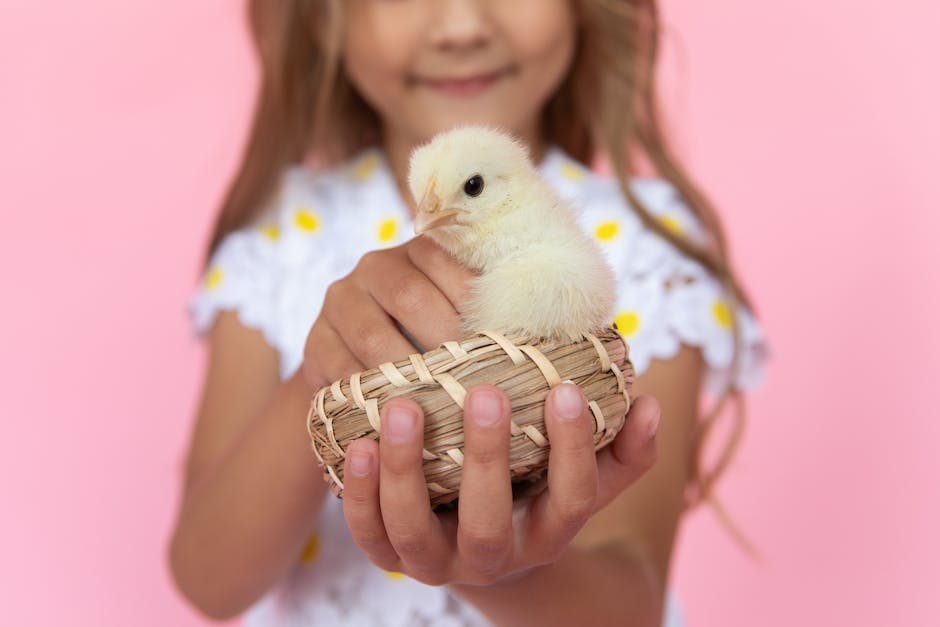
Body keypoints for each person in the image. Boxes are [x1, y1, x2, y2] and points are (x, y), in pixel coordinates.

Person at [168, 1, 768, 626]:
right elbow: (209, 581)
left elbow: (629, 604)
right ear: (323, 16)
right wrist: (323, 377)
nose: (462, 27)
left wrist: (502, 566)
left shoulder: (648, 250)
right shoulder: (279, 243)